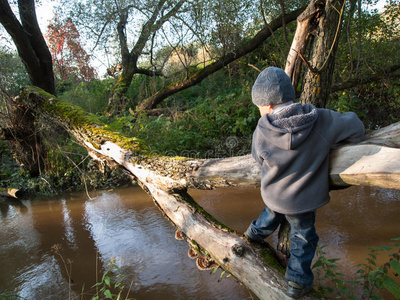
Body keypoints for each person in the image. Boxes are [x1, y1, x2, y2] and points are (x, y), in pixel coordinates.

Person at [244, 67, 365, 299]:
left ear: (268, 106)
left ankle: (254, 233)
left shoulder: (262, 129)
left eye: (258, 107)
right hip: (303, 200)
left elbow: (257, 159)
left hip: (274, 194)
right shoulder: (321, 119)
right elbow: (356, 127)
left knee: (272, 210)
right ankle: (298, 282)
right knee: (303, 237)